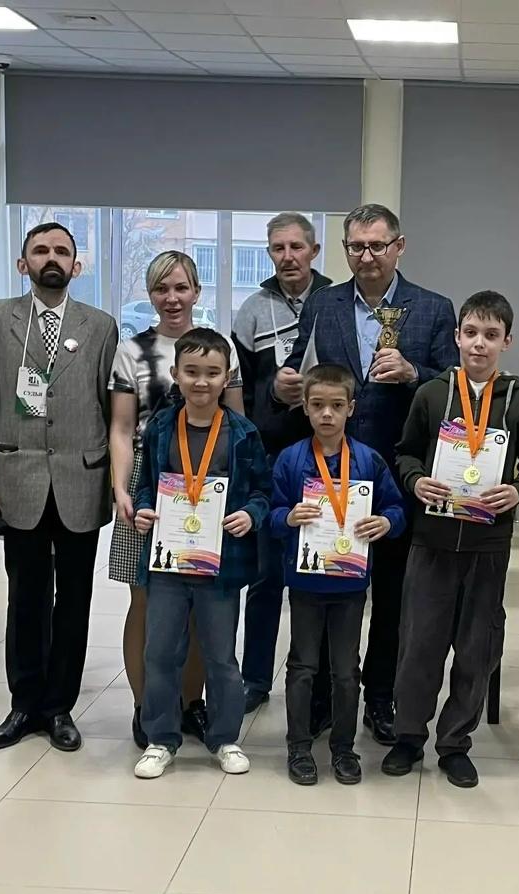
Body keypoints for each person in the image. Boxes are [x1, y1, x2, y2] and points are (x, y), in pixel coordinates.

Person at [274, 203, 457, 744]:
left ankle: (380, 697)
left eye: (378, 245)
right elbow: (302, 367)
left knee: (394, 597)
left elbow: (453, 384)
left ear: (399, 246)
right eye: (357, 246)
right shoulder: (324, 302)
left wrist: (415, 372)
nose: (368, 255)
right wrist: (283, 386)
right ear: (345, 250)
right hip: (329, 470)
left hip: (398, 471)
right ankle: (326, 698)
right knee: (329, 588)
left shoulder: (433, 307)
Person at [382, 291, 519, 787]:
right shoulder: (431, 394)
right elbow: (405, 453)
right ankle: (409, 736)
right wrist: (415, 481)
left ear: (507, 341)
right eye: (471, 333)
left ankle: (455, 743)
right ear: (457, 336)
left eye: (491, 335)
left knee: (477, 649)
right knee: (419, 645)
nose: (480, 344)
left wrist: (518, 491)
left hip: (487, 546)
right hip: (431, 541)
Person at [0, 221, 119, 752]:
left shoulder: (100, 326)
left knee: (74, 600)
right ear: (22, 262)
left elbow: (110, 410)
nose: (51, 258)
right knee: (25, 598)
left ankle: (59, 708)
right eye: (40, 250)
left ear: (76, 265)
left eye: (61, 251)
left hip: (82, 480)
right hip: (18, 479)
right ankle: (25, 704)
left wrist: (116, 483)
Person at [108, 251, 244, 749]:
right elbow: (121, 428)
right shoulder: (132, 351)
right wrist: (120, 489)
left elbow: (238, 426)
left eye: (181, 287)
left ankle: (189, 705)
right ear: (150, 294)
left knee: (197, 604)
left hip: (208, 488)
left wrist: (237, 494)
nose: (172, 298)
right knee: (144, 599)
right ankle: (147, 706)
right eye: (161, 289)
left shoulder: (219, 347)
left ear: (196, 292)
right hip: (148, 485)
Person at [130, 328, 270, 779]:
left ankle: (225, 738)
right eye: (192, 372)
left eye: (212, 373)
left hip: (220, 567)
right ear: (176, 374)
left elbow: (263, 491)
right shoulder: (160, 427)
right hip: (168, 563)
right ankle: (160, 738)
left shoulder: (244, 433)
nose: (202, 382)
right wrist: (145, 509)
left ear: (227, 377)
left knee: (221, 657)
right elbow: (147, 484)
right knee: (160, 653)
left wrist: (250, 515)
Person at [270, 363, 406, 786]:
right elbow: (271, 513)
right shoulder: (291, 459)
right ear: (305, 408)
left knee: (347, 671)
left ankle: (344, 749)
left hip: (350, 585)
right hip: (305, 584)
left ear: (351, 408)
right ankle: (298, 747)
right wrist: (287, 517)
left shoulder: (368, 460)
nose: (326, 414)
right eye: (317, 405)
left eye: (336, 406)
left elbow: (396, 508)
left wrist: (386, 522)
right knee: (302, 666)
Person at [232, 213, 332, 714]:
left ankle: (322, 685)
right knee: (265, 578)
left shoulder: (336, 301)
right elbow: (238, 390)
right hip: (272, 459)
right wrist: (272, 389)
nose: (288, 256)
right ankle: (254, 679)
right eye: (278, 248)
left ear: (314, 250)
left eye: (296, 246)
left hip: (327, 457)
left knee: (325, 578)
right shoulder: (252, 310)